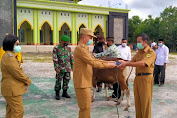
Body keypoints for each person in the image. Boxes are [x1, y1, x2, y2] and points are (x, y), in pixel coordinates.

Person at [73, 28, 117, 118]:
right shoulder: (80, 49)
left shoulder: (84, 48)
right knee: (85, 108)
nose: (91, 40)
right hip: (82, 82)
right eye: (90, 37)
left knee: (86, 107)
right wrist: (109, 65)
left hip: (85, 82)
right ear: (85, 37)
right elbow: (93, 62)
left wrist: (111, 63)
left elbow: (94, 59)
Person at [118, 33, 156, 118]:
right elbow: (131, 61)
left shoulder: (151, 52)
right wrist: (122, 62)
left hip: (146, 79)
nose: (137, 44)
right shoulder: (139, 52)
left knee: (145, 103)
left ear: (145, 42)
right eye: (137, 42)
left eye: (139, 42)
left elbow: (143, 63)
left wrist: (127, 63)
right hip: (137, 78)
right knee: (138, 103)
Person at [1, 34, 31, 118]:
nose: (18, 46)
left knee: (11, 111)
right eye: (17, 44)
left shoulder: (8, 55)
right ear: (11, 44)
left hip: (10, 89)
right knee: (18, 111)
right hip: (12, 90)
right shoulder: (9, 57)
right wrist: (27, 80)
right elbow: (17, 73)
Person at [53, 35, 73, 100]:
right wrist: (56, 68)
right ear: (62, 41)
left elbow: (71, 58)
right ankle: (57, 93)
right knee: (58, 80)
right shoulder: (56, 48)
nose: (67, 43)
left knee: (67, 80)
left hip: (67, 68)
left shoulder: (68, 48)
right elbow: (55, 59)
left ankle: (65, 93)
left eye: (68, 42)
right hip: (60, 68)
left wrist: (72, 66)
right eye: (66, 42)